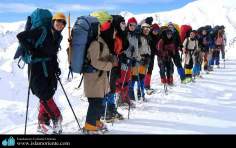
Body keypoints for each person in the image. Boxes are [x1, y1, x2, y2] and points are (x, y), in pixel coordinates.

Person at [17, 12, 67, 134]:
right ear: (53, 21)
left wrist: (56, 67)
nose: (60, 24)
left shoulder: (57, 36)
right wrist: (33, 50)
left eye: (63, 23)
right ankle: (57, 118)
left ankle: (43, 122)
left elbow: (52, 54)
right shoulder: (42, 30)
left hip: (49, 68)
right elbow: (21, 36)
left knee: (49, 92)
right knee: (44, 95)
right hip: (36, 69)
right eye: (58, 21)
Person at [82, 20, 118, 134]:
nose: (100, 29)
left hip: (98, 78)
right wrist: (111, 65)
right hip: (94, 78)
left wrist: (111, 58)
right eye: (98, 27)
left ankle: (95, 123)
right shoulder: (95, 43)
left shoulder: (99, 41)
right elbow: (95, 62)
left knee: (98, 102)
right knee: (95, 103)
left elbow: (102, 57)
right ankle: (89, 127)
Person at [130, 23, 151, 101]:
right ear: (142, 29)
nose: (147, 31)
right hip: (137, 61)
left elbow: (147, 49)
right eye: (145, 29)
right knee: (133, 78)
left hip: (145, 61)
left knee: (142, 78)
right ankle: (130, 96)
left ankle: (141, 94)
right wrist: (139, 58)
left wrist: (148, 56)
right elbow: (136, 49)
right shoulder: (138, 37)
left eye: (148, 29)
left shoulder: (147, 38)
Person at [144, 23, 161, 91]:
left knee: (150, 69)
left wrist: (159, 53)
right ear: (152, 30)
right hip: (146, 56)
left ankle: (147, 84)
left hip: (152, 56)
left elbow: (155, 48)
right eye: (154, 30)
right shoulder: (148, 36)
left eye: (157, 30)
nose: (156, 32)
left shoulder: (157, 37)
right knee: (144, 70)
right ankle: (143, 85)